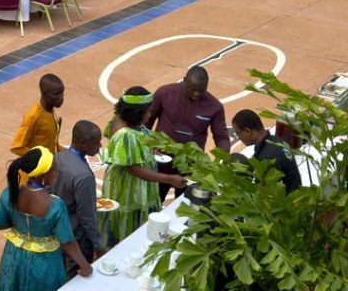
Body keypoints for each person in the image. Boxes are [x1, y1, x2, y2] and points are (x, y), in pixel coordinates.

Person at [0, 147, 93, 290]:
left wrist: (19, 223)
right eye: (54, 169)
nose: (57, 172)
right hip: (45, 264)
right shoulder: (55, 205)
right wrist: (85, 266)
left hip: (13, 257)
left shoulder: (9, 194)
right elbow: (67, 241)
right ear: (43, 175)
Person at [100, 87, 187, 246]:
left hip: (140, 187)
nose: (149, 115)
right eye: (147, 111)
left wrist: (150, 149)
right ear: (136, 112)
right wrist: (169, 179)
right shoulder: (125, 135)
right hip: (128, 190)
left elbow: (140, 141)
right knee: (126, 228)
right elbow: (134, 168)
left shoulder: (132, 124)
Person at [148, 66, 231, 200]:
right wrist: (149, 147)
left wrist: (221, 160)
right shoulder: (164, 93)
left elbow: (221, 137)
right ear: (184, 80)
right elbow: (147, 120)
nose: (196, 94)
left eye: (201, 90)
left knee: (186, 204)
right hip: (161, 161)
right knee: (153, 202)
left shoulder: (215, 106)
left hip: (191, 166)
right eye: (192, 89)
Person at [51, 121, 105, 270]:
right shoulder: (83, 176)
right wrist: (98, 245)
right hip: (76, 238)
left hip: (54, 231)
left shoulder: (57, 157)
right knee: (74, 275)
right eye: (96, 142)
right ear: (83, 143)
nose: (100, 146)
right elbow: (87, 216)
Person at [231, 109, 301, 193]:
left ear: (247, 131)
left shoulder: (267, 159)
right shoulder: (276, 141)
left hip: (287, 199)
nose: (238, 138)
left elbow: (265, 194)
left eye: (238, 134)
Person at [11, 74, 65, 156]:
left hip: (50, 162)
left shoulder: (51, 111)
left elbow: (51, 144)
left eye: (62, 93)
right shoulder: (33, 116)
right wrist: (42, 158)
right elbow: (17, 147)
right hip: (40, 164)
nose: (61, 97)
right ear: (45, 93)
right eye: (56, 94)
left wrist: (68, 154)